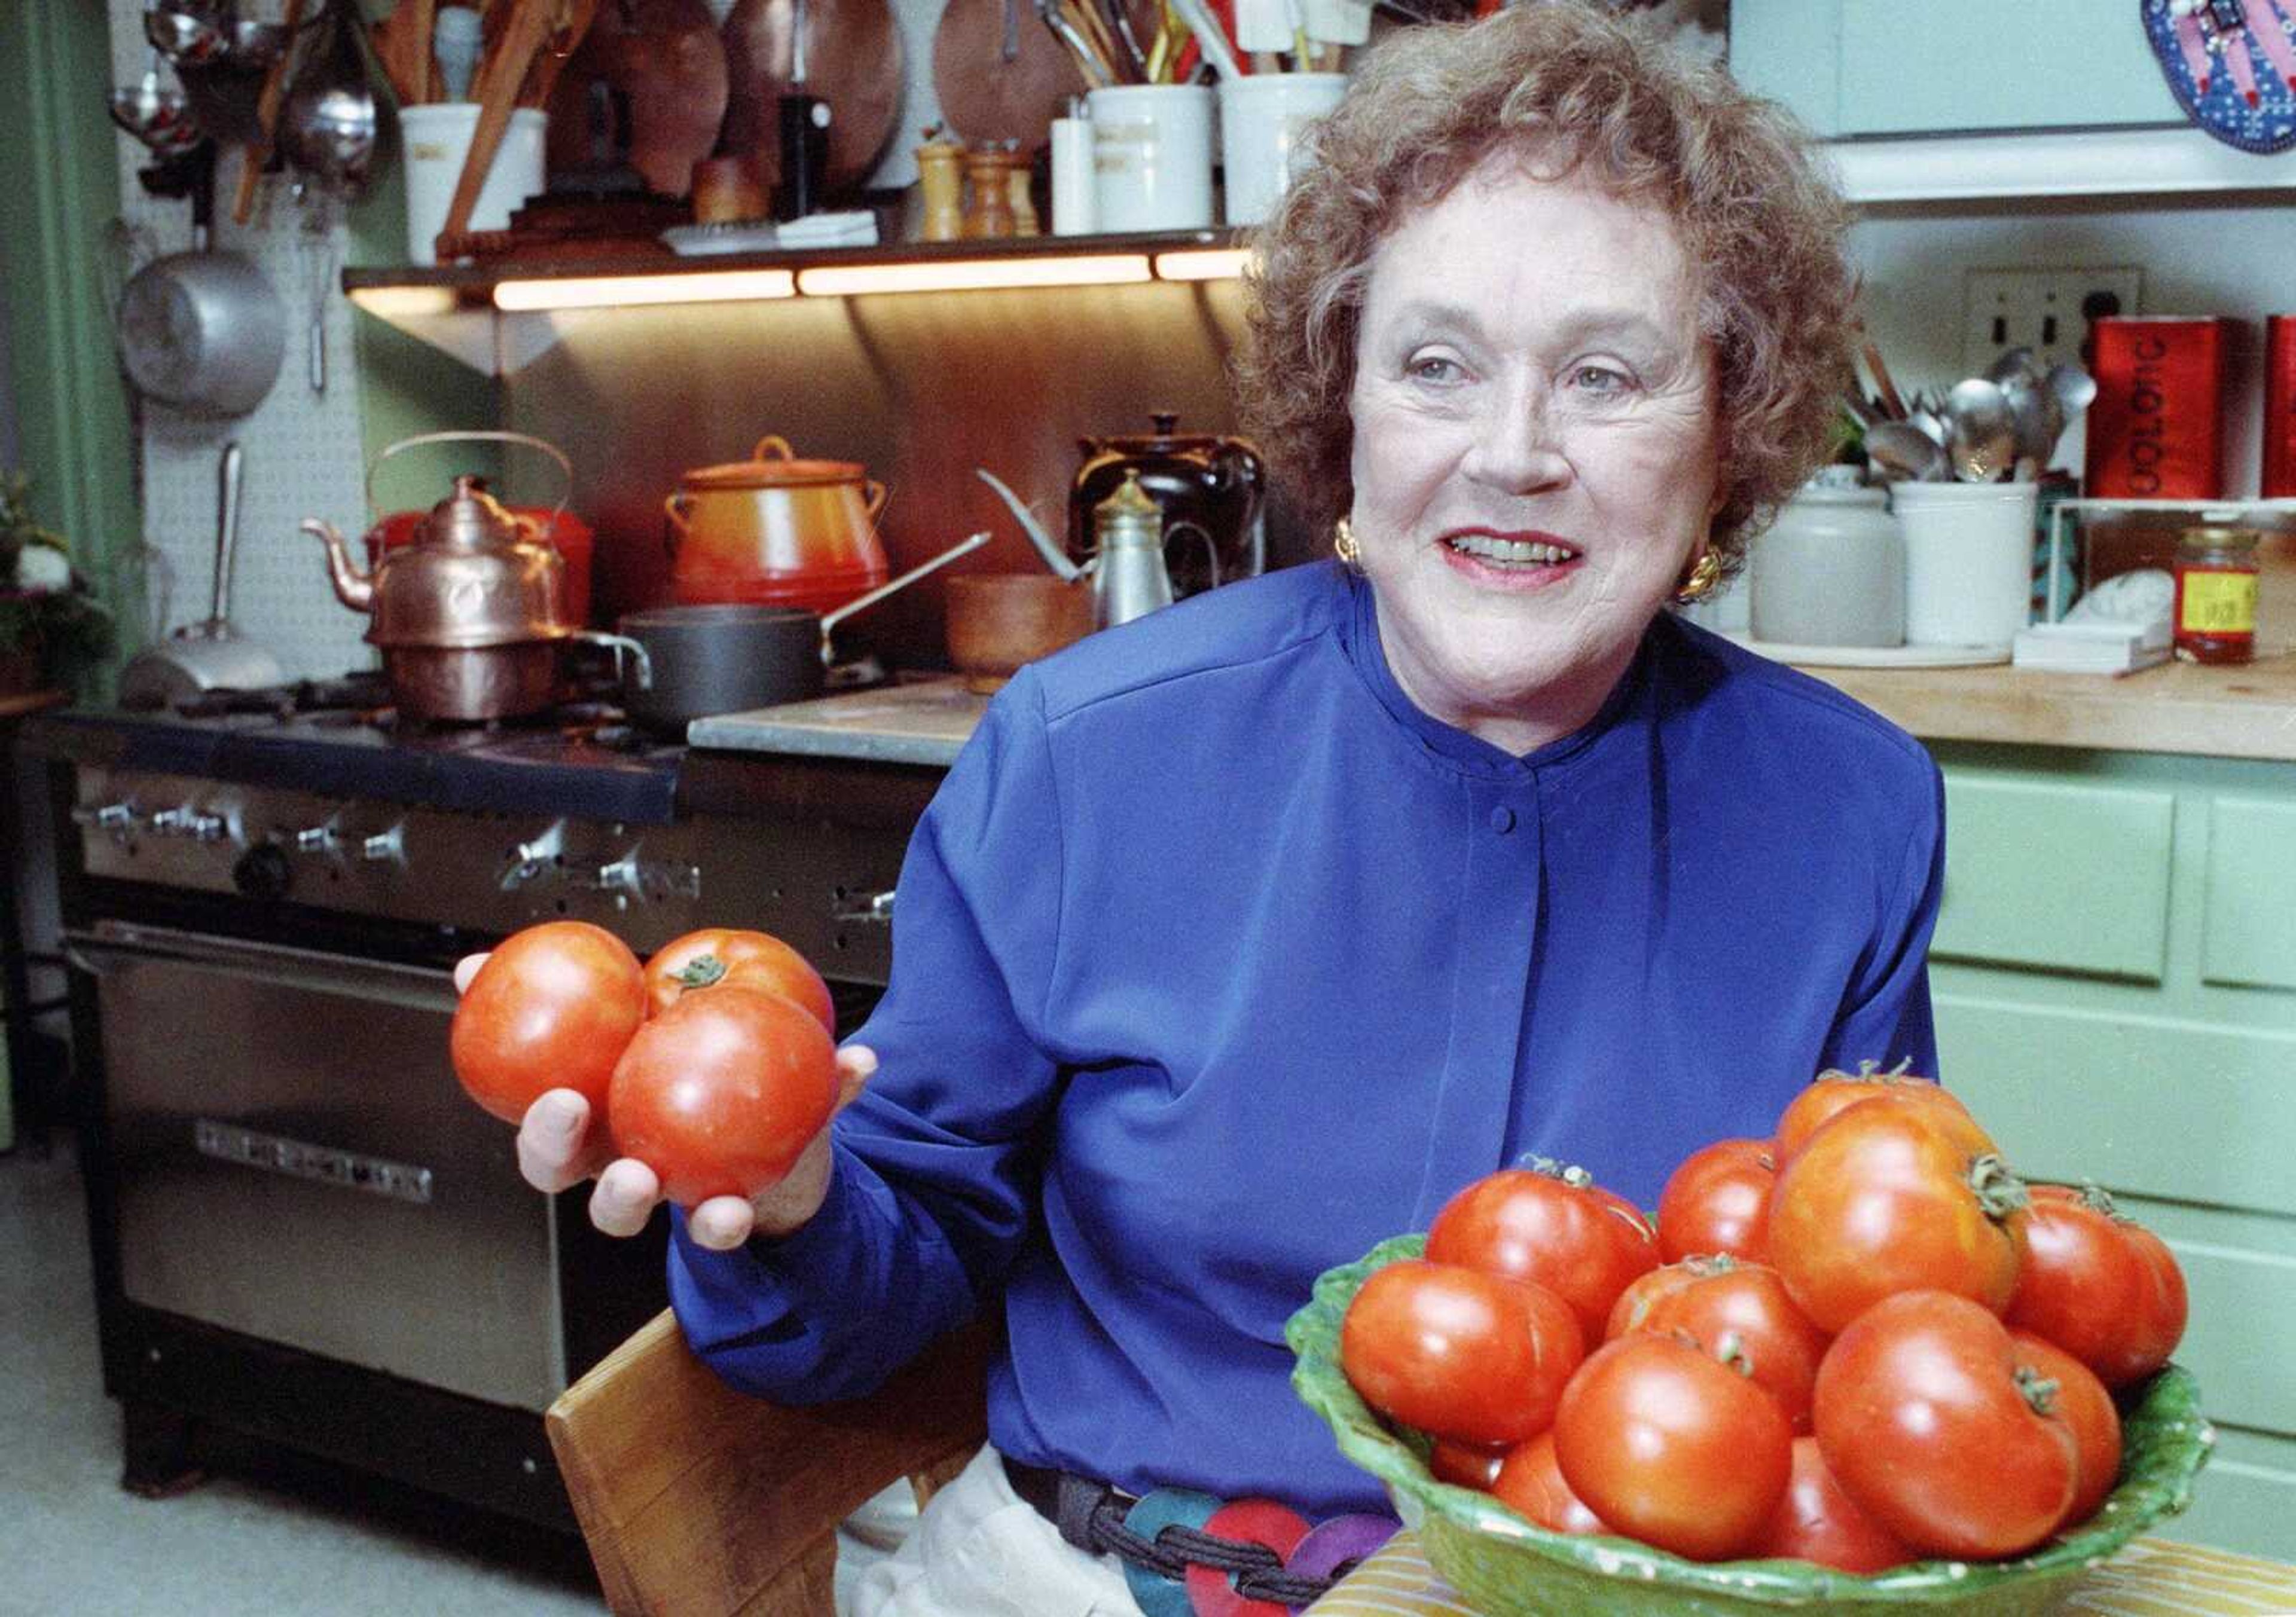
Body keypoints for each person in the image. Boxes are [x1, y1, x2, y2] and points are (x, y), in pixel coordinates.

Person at [496, 5, 1945, 1611]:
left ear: (1727, 428)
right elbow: (889, 1273)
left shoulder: (1849, 814)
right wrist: (794, 1200)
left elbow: (1864, 1321)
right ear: (1346, 407)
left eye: (1607, 375)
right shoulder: (1085, 755)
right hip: (1108, 1580)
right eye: (1437, 364)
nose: (1513, 452)